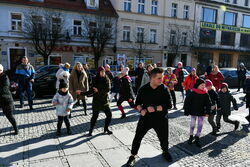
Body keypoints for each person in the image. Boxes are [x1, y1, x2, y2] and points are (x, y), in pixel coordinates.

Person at [126, 68, 173, 166]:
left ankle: (165, 151)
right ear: (152, 78)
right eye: (159, 78)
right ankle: (133, 156)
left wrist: (155, 108)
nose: (161, 80)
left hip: (161, 118)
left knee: (164, 137)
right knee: (138, 137)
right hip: (146, 118)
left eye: (162, 78)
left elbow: (169, 105)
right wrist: (140, 110)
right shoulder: (143, 89)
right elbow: (137, 103)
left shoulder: (164, 89)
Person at [77, 66, 112, 136]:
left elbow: (108, 89)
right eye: (101, 72)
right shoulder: (95, 79)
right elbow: (92, 91)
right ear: (98, 72)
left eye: (103, 71)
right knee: (94, 117)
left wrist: (98, 90)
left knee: (109, 115)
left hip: (105, 101)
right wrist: (81, 93)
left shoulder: (106, 79)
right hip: (97, 101)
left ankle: (106, 128)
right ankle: (91, 130)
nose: (103, 73)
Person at [184, 79, 212, 147]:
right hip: (193, 111)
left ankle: (197, 138)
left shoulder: (205, 93)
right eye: (202, 85)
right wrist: (186, 110)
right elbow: (187, 102)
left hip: (202, 112)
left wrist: (208, 112)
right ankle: (191, 136)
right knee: (192, 124)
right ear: (198, 85)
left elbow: (209, 103)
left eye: (204, 85)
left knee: (200, 125)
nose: (203, 86)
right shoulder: (192, 92)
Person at [0, 64, 18, 135]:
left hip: (6, 99)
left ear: (1, 70)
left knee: (9, 115)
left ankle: (16, 129)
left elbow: (4, 88)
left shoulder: (5, 77)